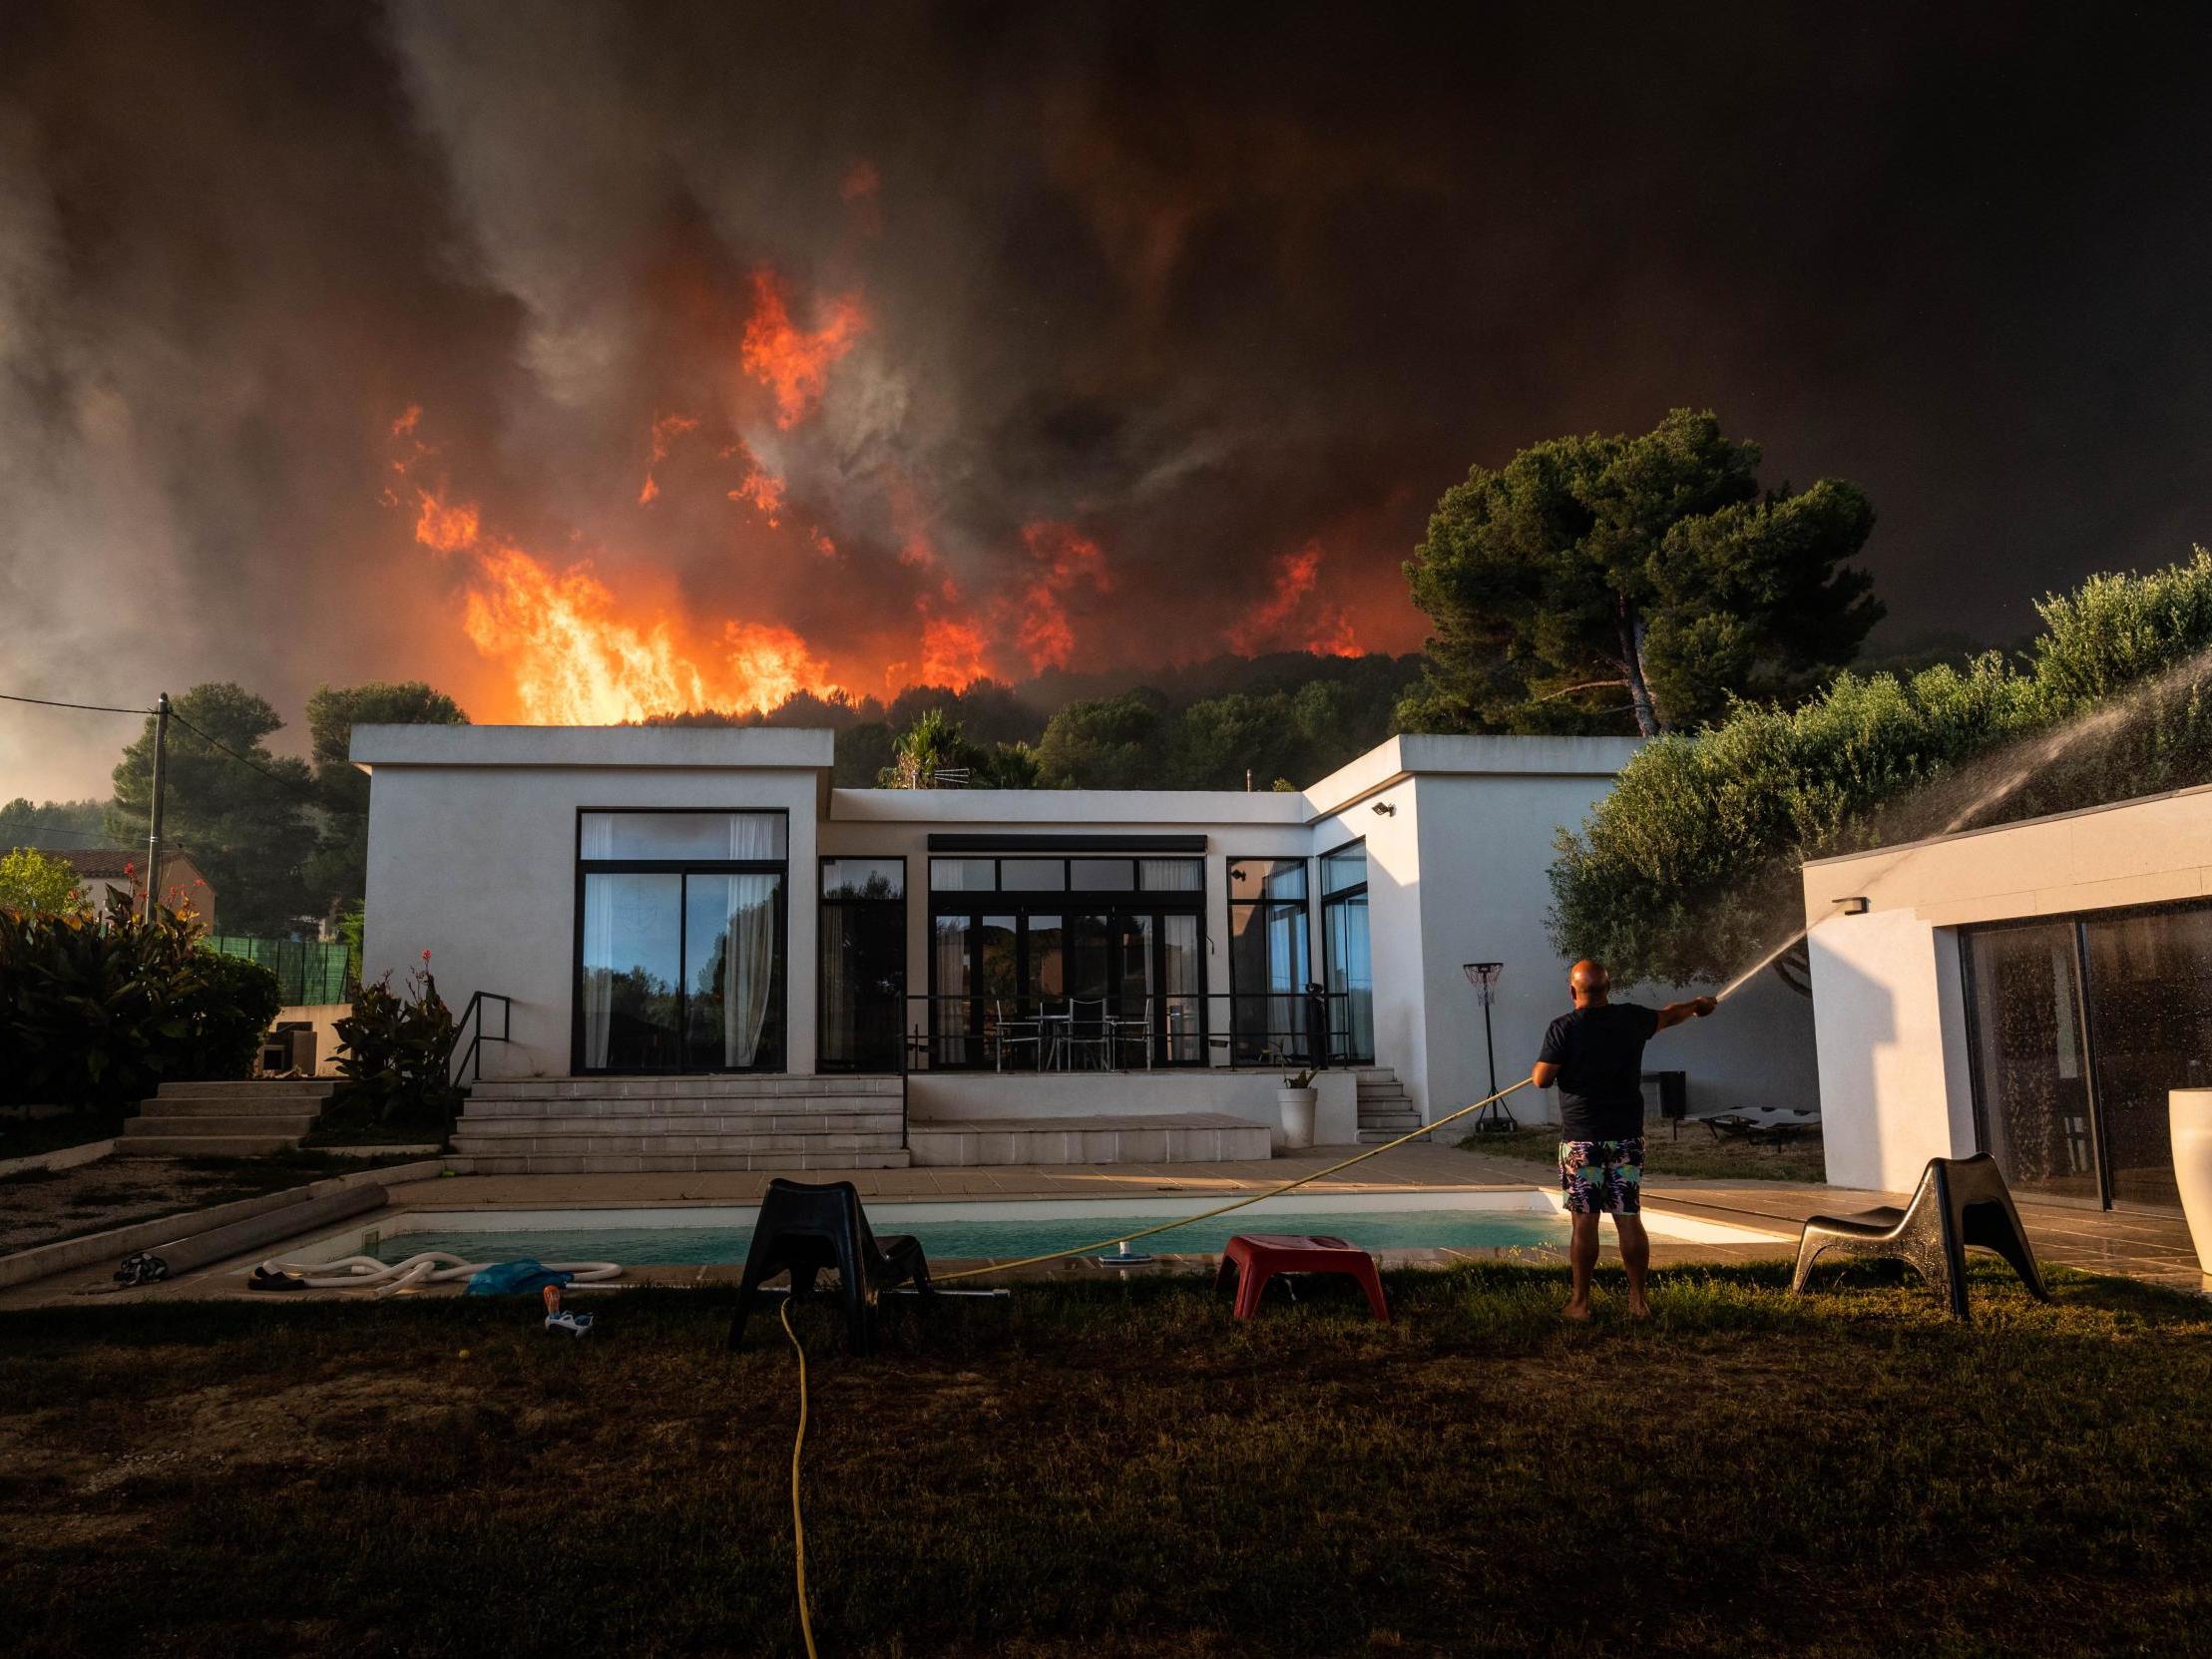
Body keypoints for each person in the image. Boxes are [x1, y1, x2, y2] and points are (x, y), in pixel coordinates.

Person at [1530, 960, 1716, 1321]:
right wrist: (1696, 1005)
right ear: (1607, 989)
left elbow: (1541, 1079)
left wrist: (1548, 1066)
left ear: (1573, 992)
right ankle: (1637, 1302)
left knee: (1584, 1221)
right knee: (1628, 1216)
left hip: (1583, 1140)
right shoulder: (1631, 1018)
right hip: (1626, 1137)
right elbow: (1668, 1015)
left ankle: (1580, 1304)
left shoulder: (1563, 1028)